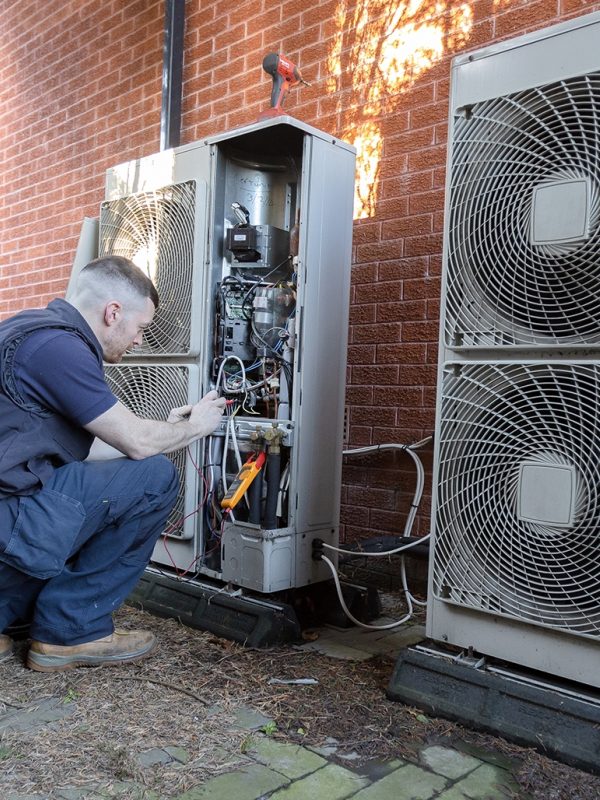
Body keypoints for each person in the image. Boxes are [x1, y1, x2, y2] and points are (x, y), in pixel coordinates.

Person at [0, 255, 226, 672]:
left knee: (121, 473)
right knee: (155, 477)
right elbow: (137, 444)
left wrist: (166, 430)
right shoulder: (59, 349)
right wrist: (197, 427)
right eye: (141, 327)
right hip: (6, 520)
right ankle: (71, 631)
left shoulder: (27, 329)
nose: (139, 340)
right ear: (113, 312)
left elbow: (88, 451)